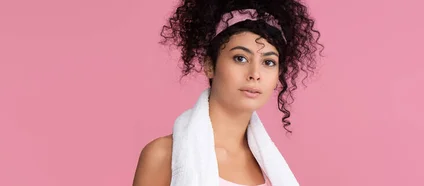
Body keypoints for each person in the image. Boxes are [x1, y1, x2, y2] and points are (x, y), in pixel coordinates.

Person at [132, 0, 323, 185]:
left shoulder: (270, 167)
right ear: (209, 65)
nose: (255, 74)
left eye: (268, 62)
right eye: (240, 58)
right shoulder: (164, 155)